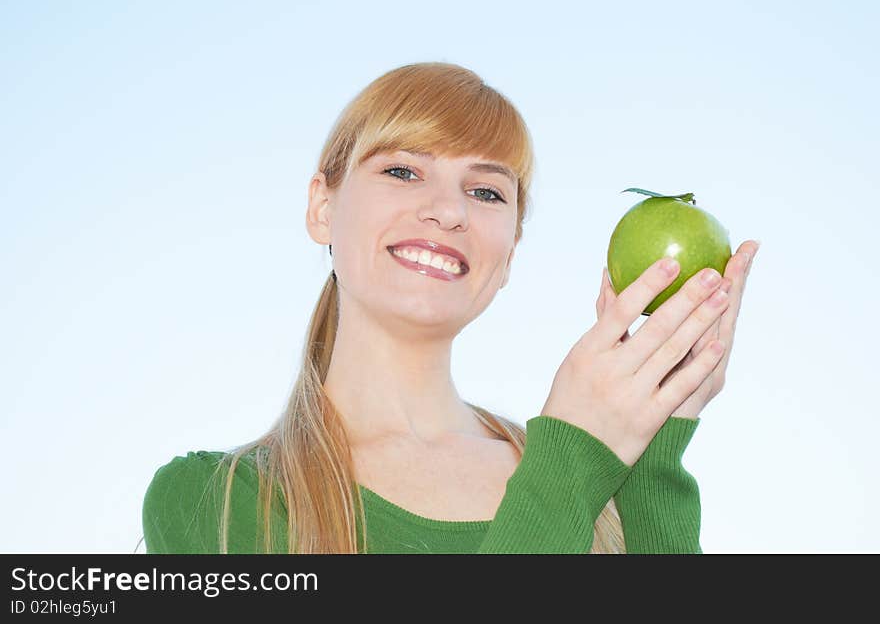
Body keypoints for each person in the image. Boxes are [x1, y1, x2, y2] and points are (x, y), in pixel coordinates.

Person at [141, 61, 759, 554]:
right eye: (404, 171)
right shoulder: (213, 506)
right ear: (322, 208)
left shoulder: (597, 473)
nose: (448, 210)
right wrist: (571, 460)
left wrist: (653, 446)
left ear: (509, 252)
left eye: (486, 191)